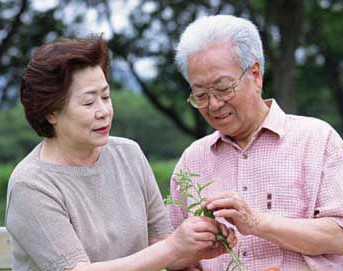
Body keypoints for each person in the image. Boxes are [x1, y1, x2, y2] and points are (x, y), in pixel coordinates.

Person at [5, 36, 237, 271]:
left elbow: (161, 244)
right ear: (51, 113)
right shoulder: (31, 185)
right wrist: (174, 248)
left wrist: (196, 248)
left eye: (105, 97)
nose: (104, 111)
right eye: (88, 102)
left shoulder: (129, 154)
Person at [168, 15, 343, 271]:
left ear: (255, 75)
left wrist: (256, 223)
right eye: (200, 94)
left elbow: (341, 236)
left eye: (223, 88)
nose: (213, 104)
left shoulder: (317, 139)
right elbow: (176, 253)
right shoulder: (193, 160)